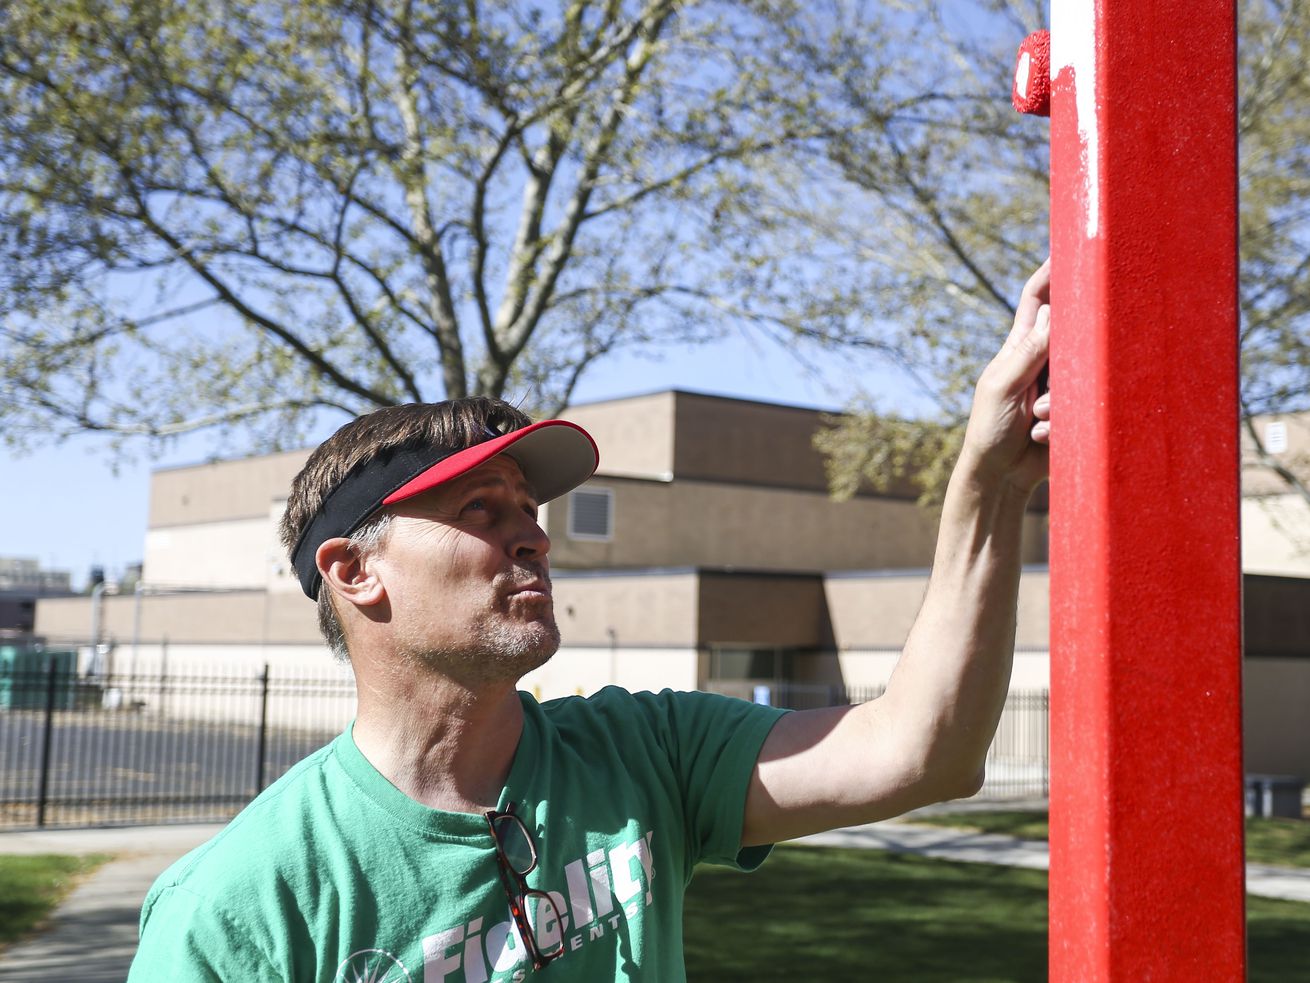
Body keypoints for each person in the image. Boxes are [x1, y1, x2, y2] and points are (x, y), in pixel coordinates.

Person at [128, 262, 1053, 982]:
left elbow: (926, 748)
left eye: (530, 509)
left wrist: (990, 483)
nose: (532, 535)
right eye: (483, 511)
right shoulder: (240, 907)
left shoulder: (645, 753)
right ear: (355, 571)